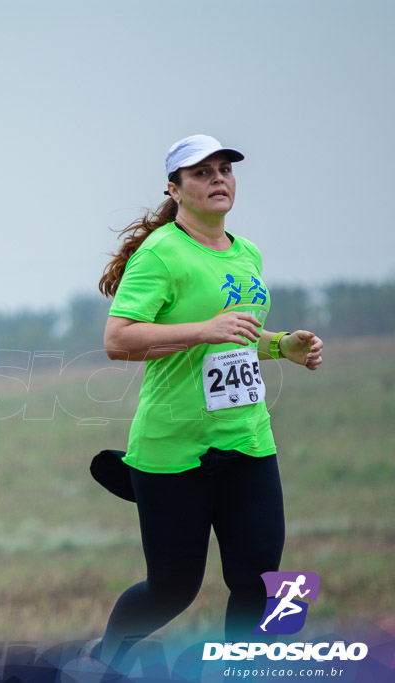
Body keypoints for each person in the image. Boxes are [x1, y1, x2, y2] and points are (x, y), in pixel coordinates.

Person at [86, 135, 324, 670]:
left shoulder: (249, 253)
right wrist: (203, 330)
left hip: (247, 439)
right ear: (174, 188)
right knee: (172, 589)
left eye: (225, 169)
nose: (218, 178)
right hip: (174, 449)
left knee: (262, 578)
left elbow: (237, 336)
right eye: (201, 173)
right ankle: (104, 661)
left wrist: (281, 347)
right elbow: (118, 341)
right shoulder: (161, 252)